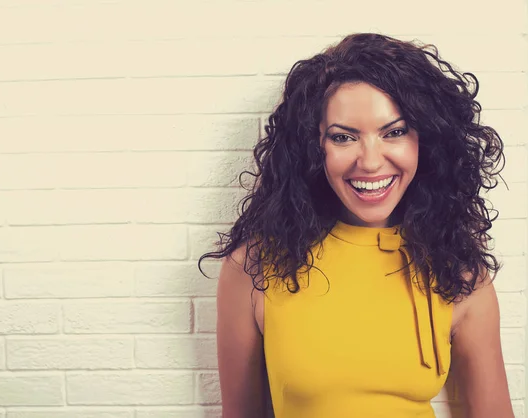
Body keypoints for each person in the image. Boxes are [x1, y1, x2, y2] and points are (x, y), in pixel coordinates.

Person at [198, 33, 514, 418]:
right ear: (314, 148)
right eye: (344, 137)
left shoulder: (459, 273)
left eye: (394, 132)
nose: (370, 162)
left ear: (425, 141)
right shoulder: (253, 269)